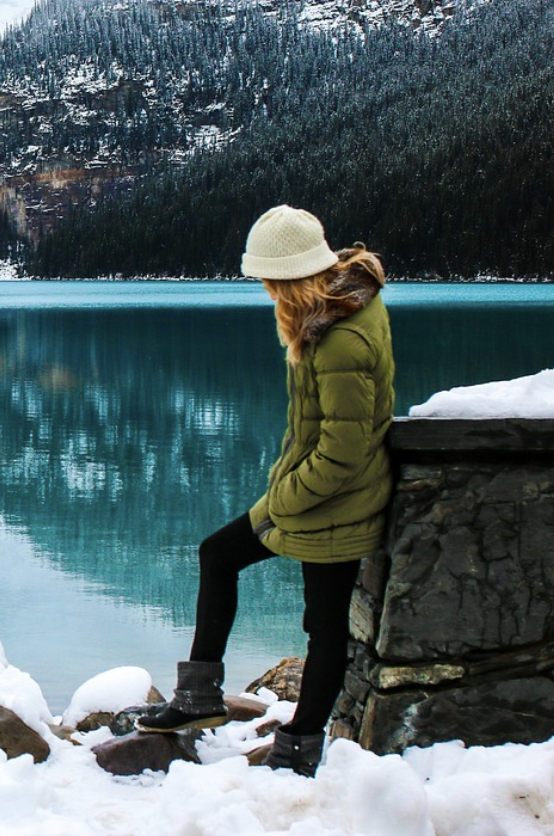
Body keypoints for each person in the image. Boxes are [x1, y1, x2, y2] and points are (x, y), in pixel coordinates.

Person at [137, 205, 395, 778]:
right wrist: (285, 490)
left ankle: (299, 746)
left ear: (292, 275)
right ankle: (199, 696)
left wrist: (284, 499)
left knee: (324, 628)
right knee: (218, 553)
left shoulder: (342, 340)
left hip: (338, 502)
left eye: (269, 279)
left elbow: (344, 452)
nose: (264, 290)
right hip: (309, 493)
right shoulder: (331, 312)